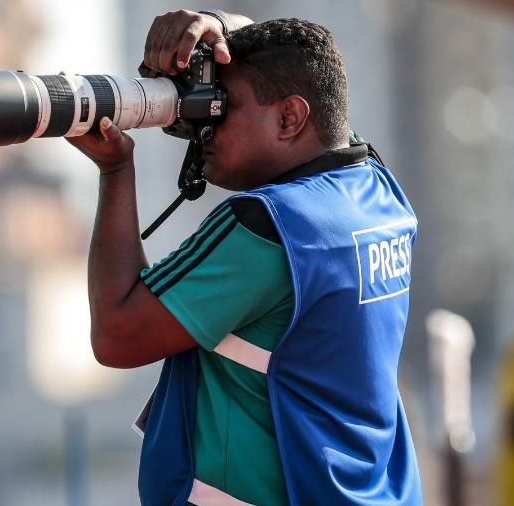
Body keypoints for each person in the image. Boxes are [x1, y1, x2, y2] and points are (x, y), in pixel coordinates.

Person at [66, 9, 423, 506]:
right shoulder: (375, 194)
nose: (203, 129)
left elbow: (117, 336)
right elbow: (312, 80)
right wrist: (218, 26)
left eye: (222, 107)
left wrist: (115, 168)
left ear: (289, 117)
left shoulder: (271, 225)